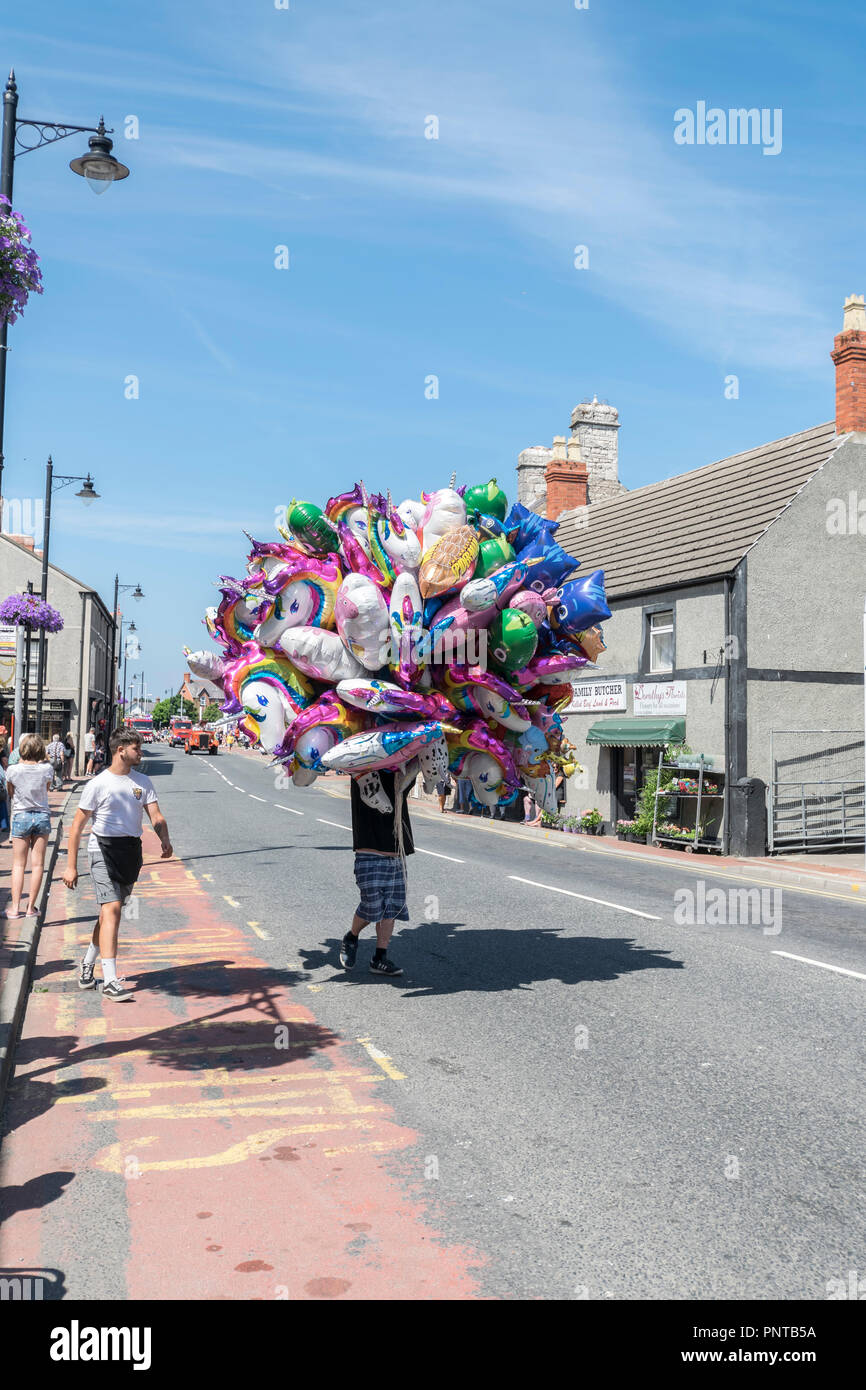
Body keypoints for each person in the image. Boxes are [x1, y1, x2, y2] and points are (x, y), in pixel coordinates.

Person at [62, 729, 173, 1002]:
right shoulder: (98, 783)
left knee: (108, 916)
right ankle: (110, 980)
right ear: (121, 749)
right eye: (136, 747)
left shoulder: (143, 782)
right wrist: (70, 866)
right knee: (111, 910)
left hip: (130, 852)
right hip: (102, 850)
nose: (141, 752)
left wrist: (165, 841)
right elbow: (76, 827)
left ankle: (87, 966)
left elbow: (156, 817)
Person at [339, 768, 414, 977]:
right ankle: (352, 937)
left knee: (391, 908)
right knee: (372, 906)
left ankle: (379, 957)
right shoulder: (360, 766)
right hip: (368, 847)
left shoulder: (403, 767)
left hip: (395, 849)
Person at [5, 733, 53, 918]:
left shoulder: (13, 770)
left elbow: (11, 792)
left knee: (18, 865)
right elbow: (46, 789)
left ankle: (15, 908)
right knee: (38, 864)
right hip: (41, 816)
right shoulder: (46, 769)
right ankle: (31, 908)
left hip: (21, 815)